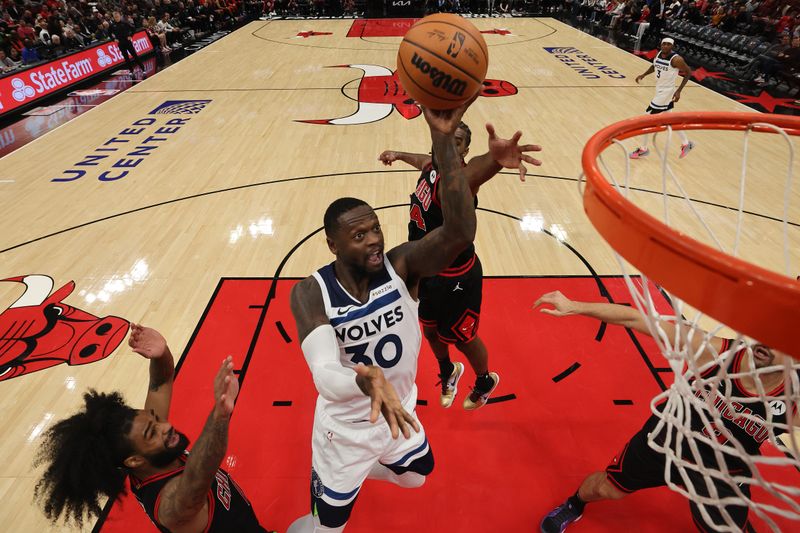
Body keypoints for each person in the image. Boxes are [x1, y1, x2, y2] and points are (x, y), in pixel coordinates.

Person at [287, 97, 536, 532]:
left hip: (399, 412)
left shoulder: (401, 266)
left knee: (418, 477)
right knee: (327, 529)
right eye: (358, 235)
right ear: (333, 245)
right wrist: (361, 379)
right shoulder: (311, 292)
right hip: (345, 430)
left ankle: (366, 470)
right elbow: (325, 372)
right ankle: (330, 482)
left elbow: (458, 231)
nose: (372, 241)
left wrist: (443, 138)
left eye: (375, 229)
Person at [534, 291, 799, 532]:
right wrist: (575, 305)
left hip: (723, 469)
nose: (768, 341)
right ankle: (575, 503)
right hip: (668, 440)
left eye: (783, 342)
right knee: (608, 489)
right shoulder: (715, 353)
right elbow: (635, 319)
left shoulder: (794, 402)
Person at [34, 324, 273, 532]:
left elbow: (160, 383)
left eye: (154, 420)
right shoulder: (171, 506)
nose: (165, 425)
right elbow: (201, 469)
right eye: (152, 431)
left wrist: (160, 355)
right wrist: (220, 414)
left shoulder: (150, 454)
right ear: (134, 460)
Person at [378, 123, 540, 410]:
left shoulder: (460, 181)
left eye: (457, 143)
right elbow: (423, 160)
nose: (448, 146)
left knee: (463, 339)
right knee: (429, 330)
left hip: (457, 277)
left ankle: (484, 380)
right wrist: (399, 153)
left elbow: (474, 172)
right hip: (424, 270)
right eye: (444, 140)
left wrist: (495, 161)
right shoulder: (432, 164)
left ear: (465, 151)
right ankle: (447, 371)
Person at [629, 37, 695, 160]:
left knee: (646, 118)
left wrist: (679, 91)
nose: (665, 46)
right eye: (663, 44)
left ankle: (643, 149)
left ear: (672, 46)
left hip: (666, 92)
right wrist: (643, 74)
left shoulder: (676, 59)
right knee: (670, 119)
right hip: (659, 89)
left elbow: (688, 72)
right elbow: (654, 66)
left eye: (668, 44)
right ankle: (686, 143)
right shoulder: (659, 54)